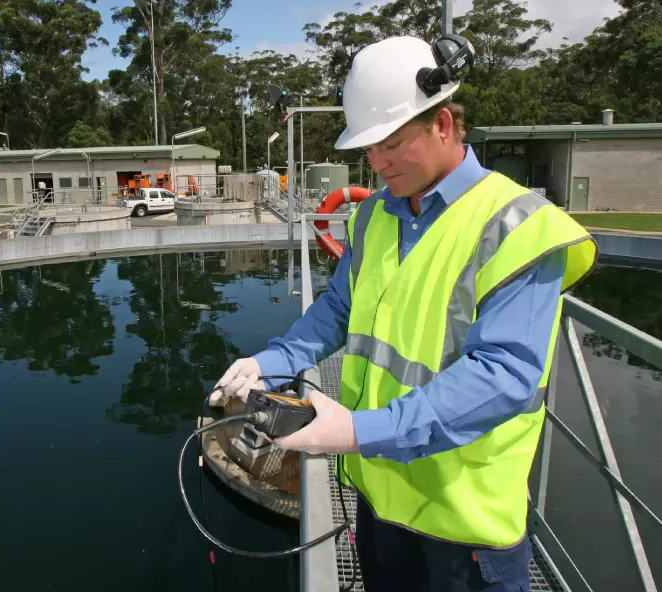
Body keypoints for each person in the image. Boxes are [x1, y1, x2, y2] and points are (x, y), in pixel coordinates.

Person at [210, 34, 597, 592]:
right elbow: (340, 308)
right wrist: (272, 360)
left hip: (464, 525)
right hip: (381, 502)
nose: (378, 162)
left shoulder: (518, 225)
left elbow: (504, 377)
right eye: (369, 149)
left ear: (443, 124)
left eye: (391, 143)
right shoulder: (373, 219)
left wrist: (359, 430)